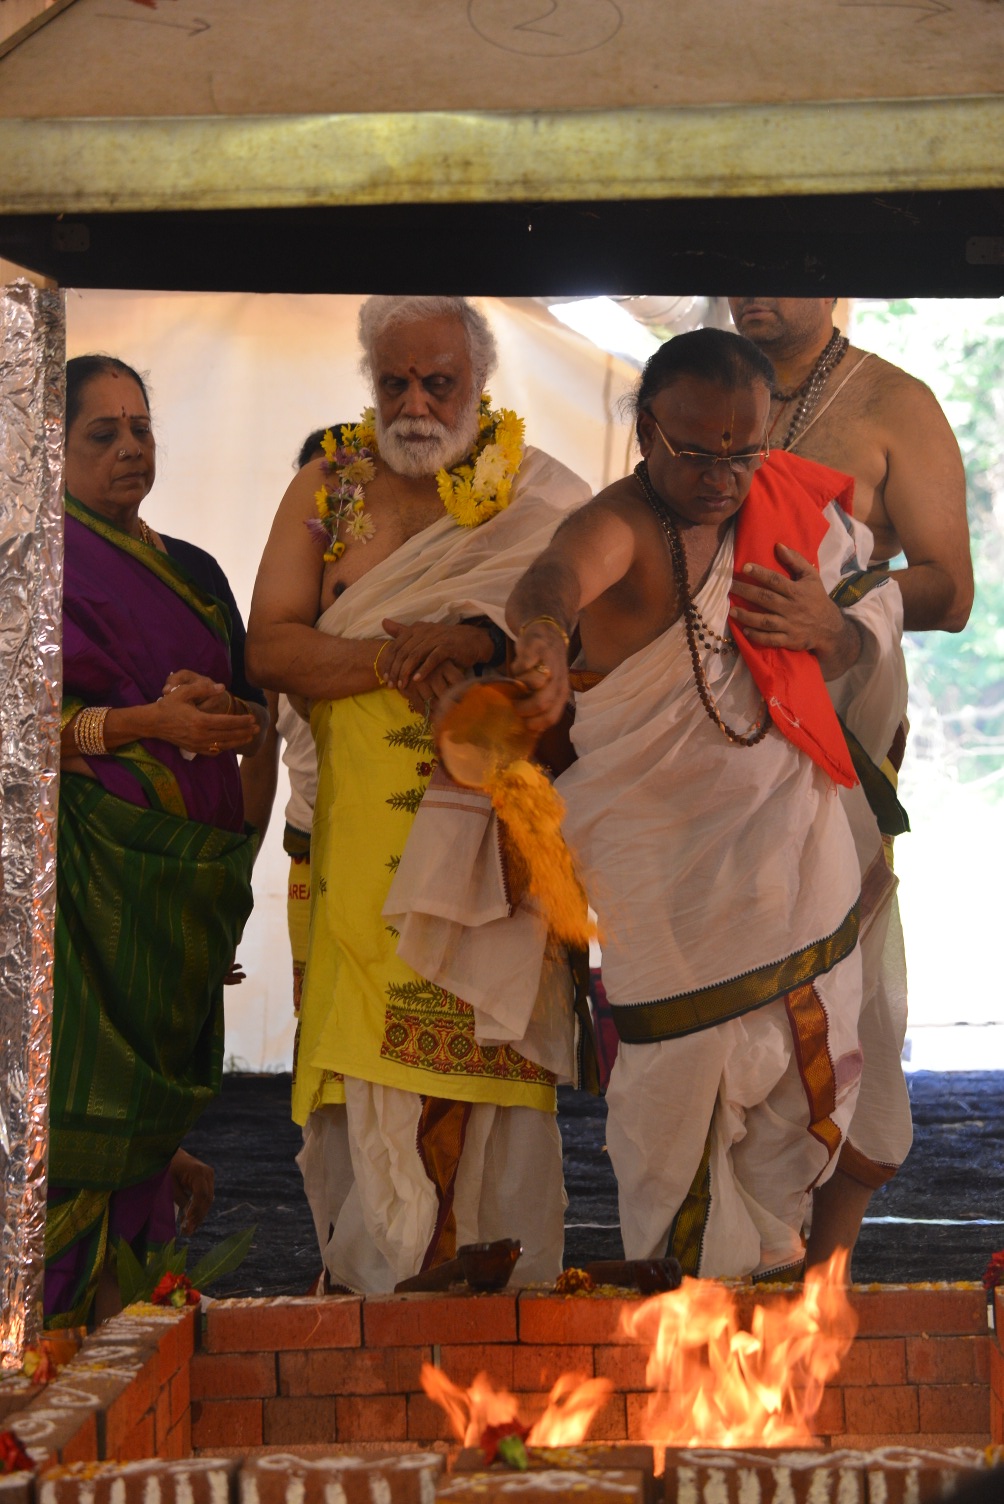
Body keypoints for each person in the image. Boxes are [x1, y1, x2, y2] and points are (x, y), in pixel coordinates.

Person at [505, 328, 906, 1279]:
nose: (724, 477)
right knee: (675, 1097)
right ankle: (683, 1311)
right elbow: (555, 577)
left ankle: (766, 1304)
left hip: (788, 861)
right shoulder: (622, 523)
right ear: (648, 429)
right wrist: (545, 634)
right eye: (697, 453)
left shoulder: (789, 510)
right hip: (664, 874)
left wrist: (833, 632)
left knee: (792, 1097)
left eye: (744, 452)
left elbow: (877, 620)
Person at [246, 296, 590, 1293]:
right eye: (393, 382)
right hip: (363, 861)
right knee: (371, 1081)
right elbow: (270, 647)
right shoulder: (331, 486)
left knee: (493, 1087)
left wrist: (476, 641)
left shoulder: (540, 494)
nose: (414, 404)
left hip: (496, 852)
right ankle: (378, 1305)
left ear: (480, 380)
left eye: (438, 383)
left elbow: (581, 649)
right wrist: (394, 660)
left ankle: (497, 1327)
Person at [729, 297, 974, 1264]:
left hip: (838, 714)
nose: (755, 290)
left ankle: (819, 1280)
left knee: (844, 976)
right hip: (710, 725)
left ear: (829, 275)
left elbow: (951, 589)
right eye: (738, 268)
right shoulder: (697, 383)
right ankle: (728, 1267)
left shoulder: (892, 402)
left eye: (780, 267)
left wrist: (839, 614)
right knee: (720, 991)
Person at [48, 355, 268, 1328]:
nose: (131, 448)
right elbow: (21, 730)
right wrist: (147, 724)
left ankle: (123, 1349)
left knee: (146, 1124)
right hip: (83, 894)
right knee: (78, 1108)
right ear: (50, 450)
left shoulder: (193, 571)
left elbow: (254, 719)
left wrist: (217, 709)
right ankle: (51, 1356)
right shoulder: (35, 568)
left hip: (177, 891)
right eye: (103, 434)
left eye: (141, 428)